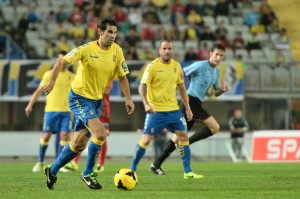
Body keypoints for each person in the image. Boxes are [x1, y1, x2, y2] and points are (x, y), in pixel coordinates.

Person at [43, 17, 135, 190]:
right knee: (100, 134)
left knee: (78, 144)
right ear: (100, 32)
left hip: (95, 101)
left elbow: (122, 76)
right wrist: (52, 82)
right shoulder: (86, 49)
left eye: (115, 32)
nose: (113, 36)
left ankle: (52, 170)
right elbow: (61, 62)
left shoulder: (117, 51)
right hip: (78, 98)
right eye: (109, 32)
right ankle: (87, 173)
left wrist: (128, 98)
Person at [150, 43, 228, 175]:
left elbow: (215, 92)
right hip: (190, 102)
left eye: (221, 55)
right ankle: (185, 144)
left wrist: (222, 90)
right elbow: (182, 73)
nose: (219, 58)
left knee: (178, 136)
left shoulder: (217, 71)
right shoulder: (200, 65)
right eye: (216, 54)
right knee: (214, 127)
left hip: (197, 104)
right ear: (210, 54)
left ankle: (156, 164)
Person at [130, 40, 203, 180]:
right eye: (164, 48)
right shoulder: (152, 66)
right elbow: (142, 86)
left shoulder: (176, 66)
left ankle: (188, 172)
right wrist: (146, 103)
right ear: (159, 50)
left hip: (174, 110)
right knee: (146, 140)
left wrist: (187, 108)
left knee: (184, 136)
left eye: (169, 48)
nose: (167, 51)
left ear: (172, 50)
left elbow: (181, 87)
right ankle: (132, 170)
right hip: (156, 111)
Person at [25, 51, 74, 173]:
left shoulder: (72, 76)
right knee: (46, 136)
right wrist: (30, 105)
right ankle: (40, 162)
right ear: (57, 61)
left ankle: (59, 163)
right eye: (60, 59)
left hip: (66, 112)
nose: (62, 61)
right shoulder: (49, 74)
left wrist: (75, 112)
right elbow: (39, 90)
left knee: (64, 136)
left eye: (65, 59)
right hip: (51, 110)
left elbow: (74, 95)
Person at [69, 82, 113, 173]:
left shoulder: (107, 76)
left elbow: (107, 90)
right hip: (90, 109)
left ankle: (100, 165)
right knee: (83, 135)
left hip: (103, 111)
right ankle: (74, 162)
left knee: (101, 137)